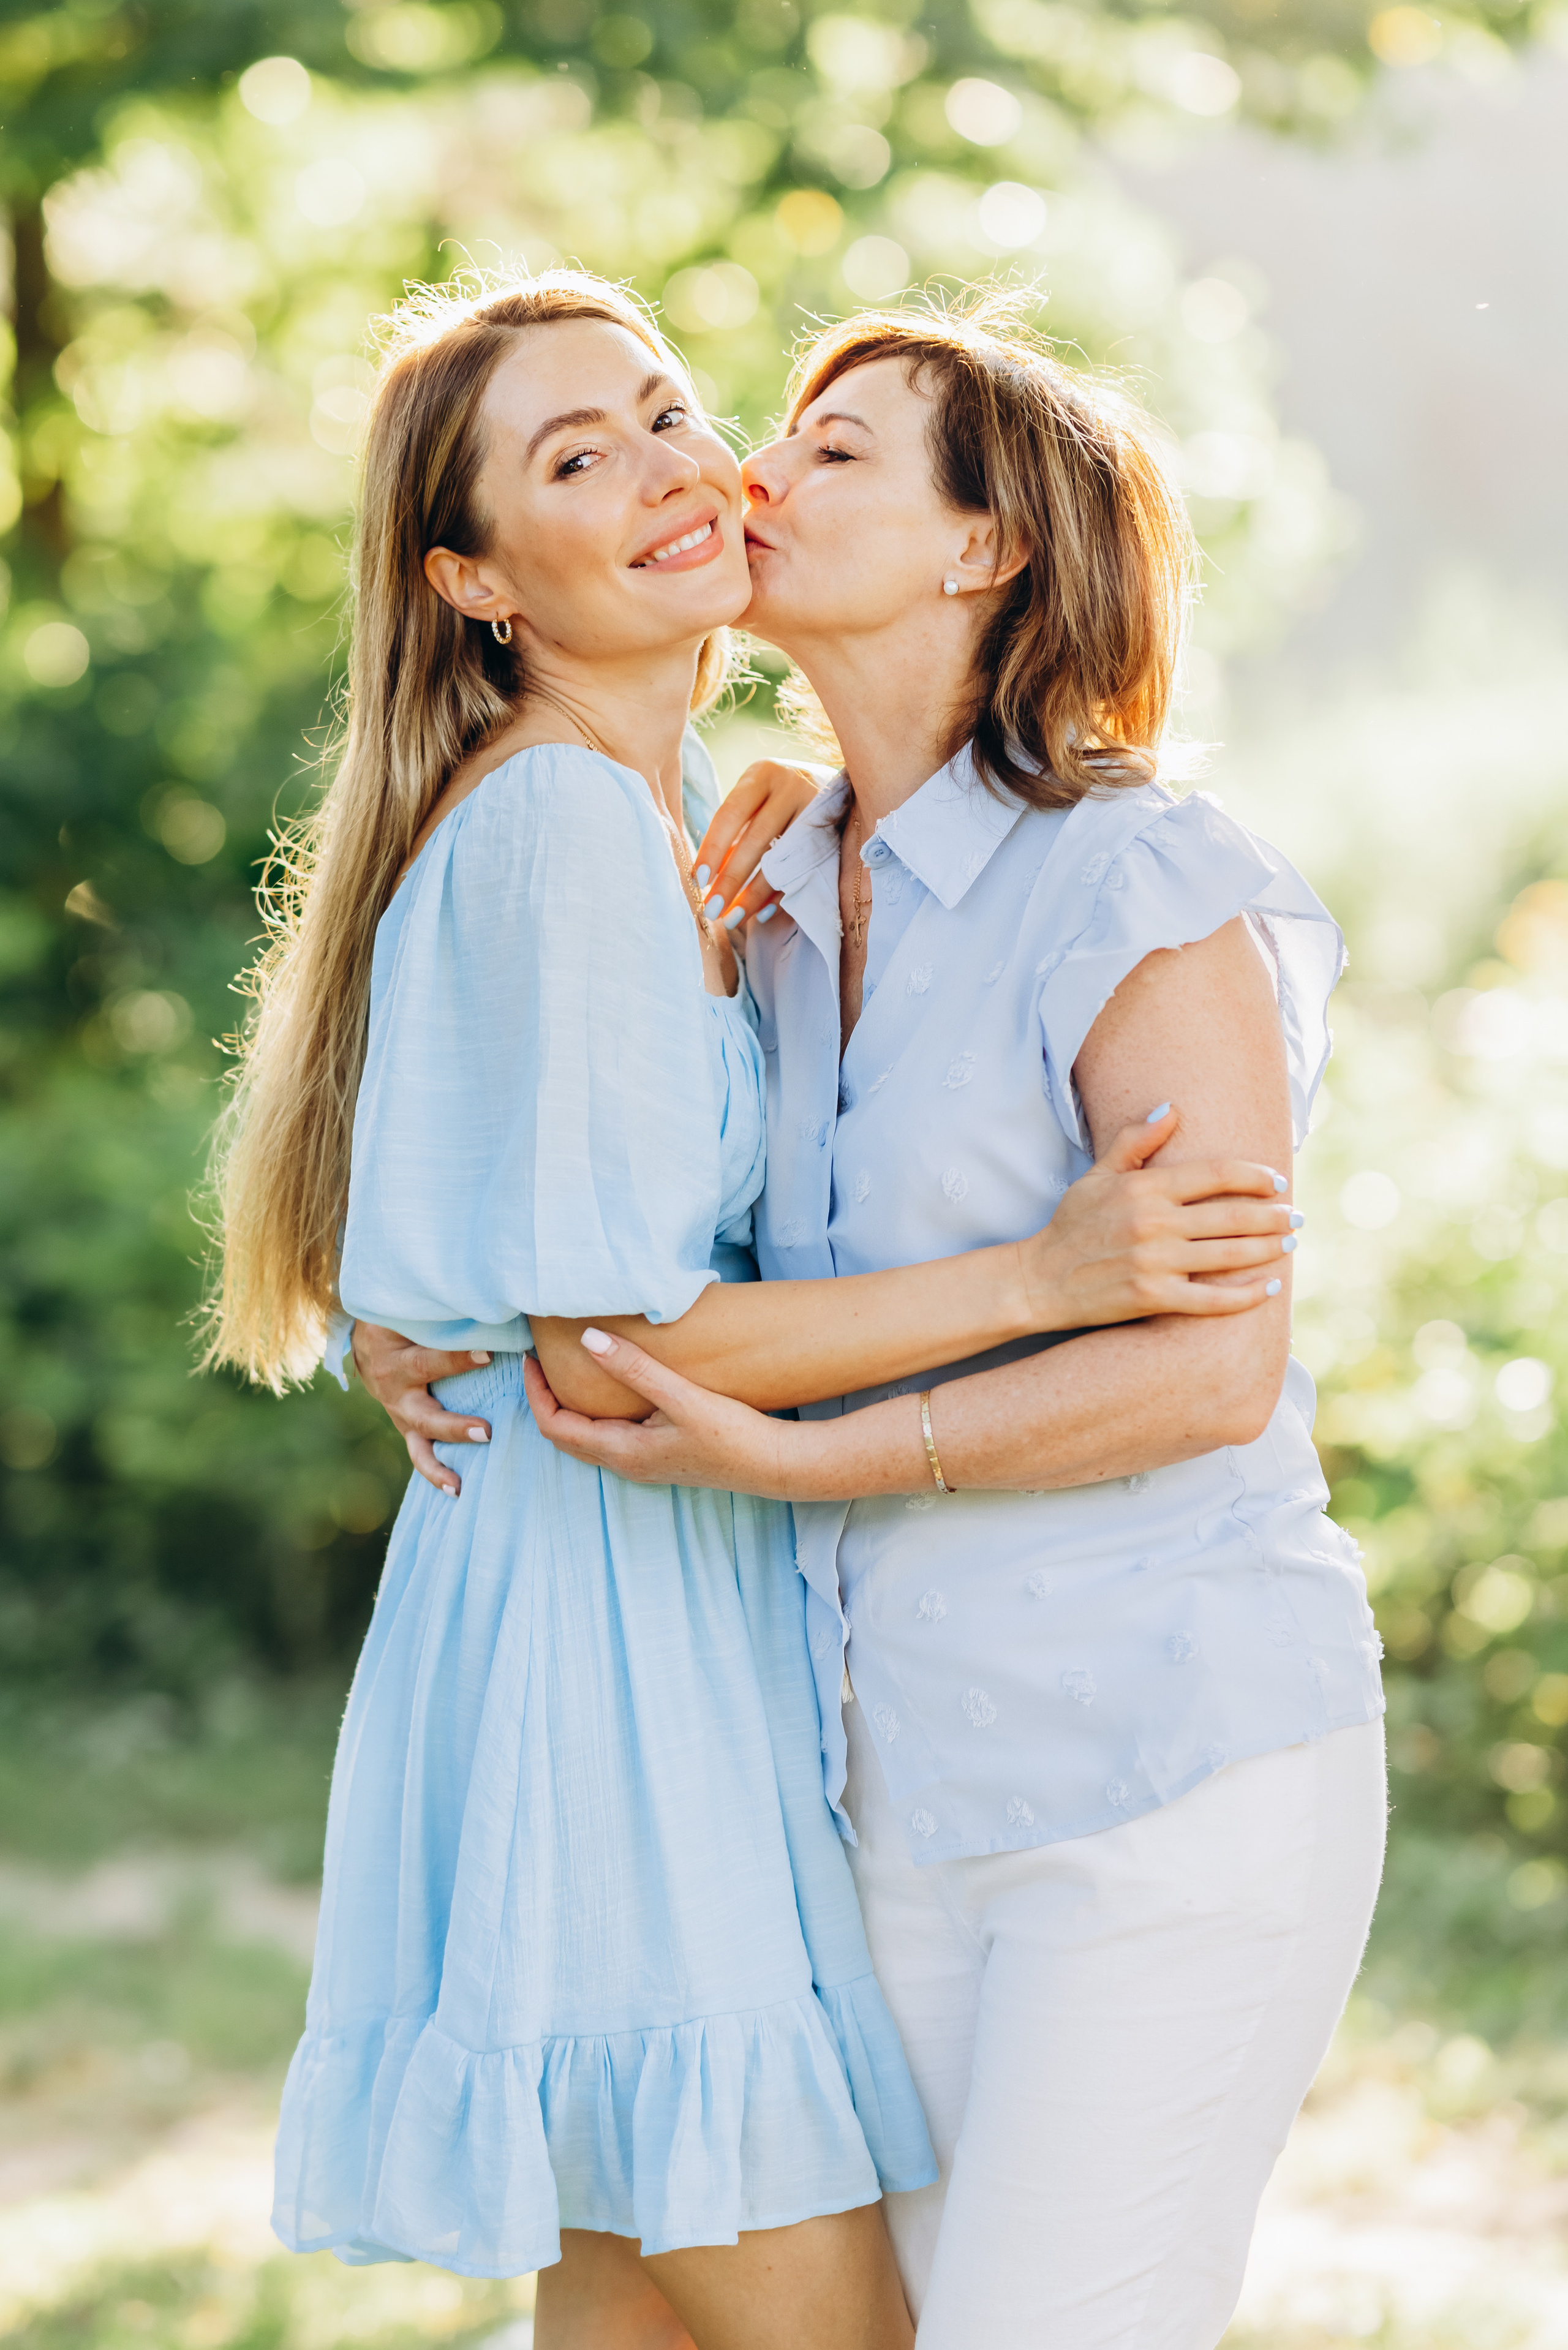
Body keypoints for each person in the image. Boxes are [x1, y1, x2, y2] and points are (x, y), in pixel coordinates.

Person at [205, 271, 1297, 2350]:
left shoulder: (674, 829)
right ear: (471, 581)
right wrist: (1048, 1278)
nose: (666, 470)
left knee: (636, 2314)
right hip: (617, 1649)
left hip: (626, 1619)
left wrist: (414, 1312)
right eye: (569, 458)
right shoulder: (556, 825)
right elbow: (612, 1342)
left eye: (659, 411)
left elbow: (525, 1242)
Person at [499, 297, 1389, 2350]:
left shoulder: (1143, 882)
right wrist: (431, 1319)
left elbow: (1207, 1364)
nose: (753, 470)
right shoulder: (771, 880)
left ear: (983, 550)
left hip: (1166, 1773)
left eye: (835, 449)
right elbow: (626, 1249)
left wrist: (810, 1459)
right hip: (882, 1800)